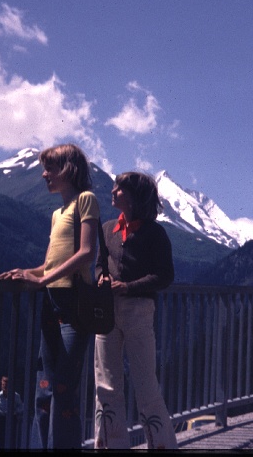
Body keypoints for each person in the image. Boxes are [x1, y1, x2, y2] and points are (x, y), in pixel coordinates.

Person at [0, 143, 99, 450]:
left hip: (74, 303)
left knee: (63, 389)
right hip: (52, 302)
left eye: (50, 168)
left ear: (69, 169)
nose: (44, 175)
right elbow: (52, 262)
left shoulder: (86, 200)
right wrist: (27, 271)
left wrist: (40, 279)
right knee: (44, 390)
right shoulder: (57, 214)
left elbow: (87, 253)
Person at [92, 172, 178, 450]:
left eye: (120, 188)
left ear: (135, 196)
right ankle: (109, 446)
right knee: (105, 385)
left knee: (145, 384)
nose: (113, 191)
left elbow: (164, 276)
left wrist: (128, 287)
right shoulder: (107, 229)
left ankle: (161, 446)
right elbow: (98, 265)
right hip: (107, 310)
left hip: (138, 310)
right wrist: (102, 278)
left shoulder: (154, 232)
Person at [0, 376, 24, 449]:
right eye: (3, 384)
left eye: (7, 385)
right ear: (1, 384)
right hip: (1, 419)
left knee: (12, 439)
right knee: (1, 439)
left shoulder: (16, 396)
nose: (5, 386)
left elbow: (21, 407)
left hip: (12, 419)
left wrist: (15, 411)